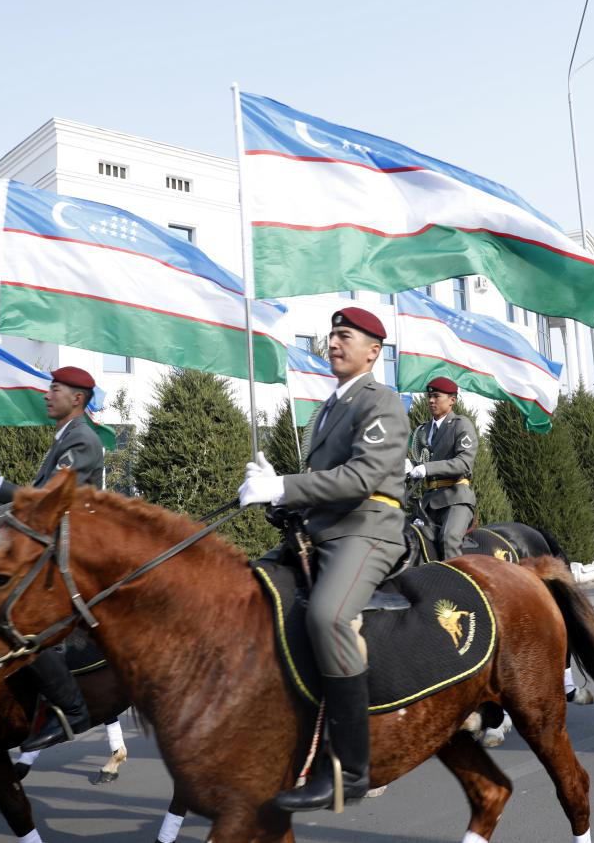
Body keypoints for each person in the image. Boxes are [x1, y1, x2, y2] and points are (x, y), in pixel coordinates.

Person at [238, 306, 408, 812]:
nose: (333, 343)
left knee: (329, 617)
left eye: (345, 336)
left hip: (367, 530)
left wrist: (285, 485)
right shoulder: (328, 406)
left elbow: (360, 480)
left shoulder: (382, 401)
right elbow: (325, 483)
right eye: (332, 335)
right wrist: (280, 493)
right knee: (248, 589)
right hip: (322, 528)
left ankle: (351, 771)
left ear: (373, 351)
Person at [0, 366, 105, 749]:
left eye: (55, 389)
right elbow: (37, 492)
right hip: (51, 542)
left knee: (21, 618)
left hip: (71, 548)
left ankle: (73, 708)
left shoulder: (82, 440)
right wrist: (0, 492)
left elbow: (50, 499)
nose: (47, 395)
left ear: (77, 399)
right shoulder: (64, 437)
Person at [407, 376, 478, 559]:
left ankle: (455, 587)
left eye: (437, 396)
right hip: (429, 501)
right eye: (429, 396)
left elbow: (463, 463)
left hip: (455, 498)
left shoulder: (461, 425)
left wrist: (426, 469)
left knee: (449, 539)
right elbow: (419, 460)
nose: (431, 400)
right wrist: (408, 466)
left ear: (452, 400)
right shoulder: (423, 430)